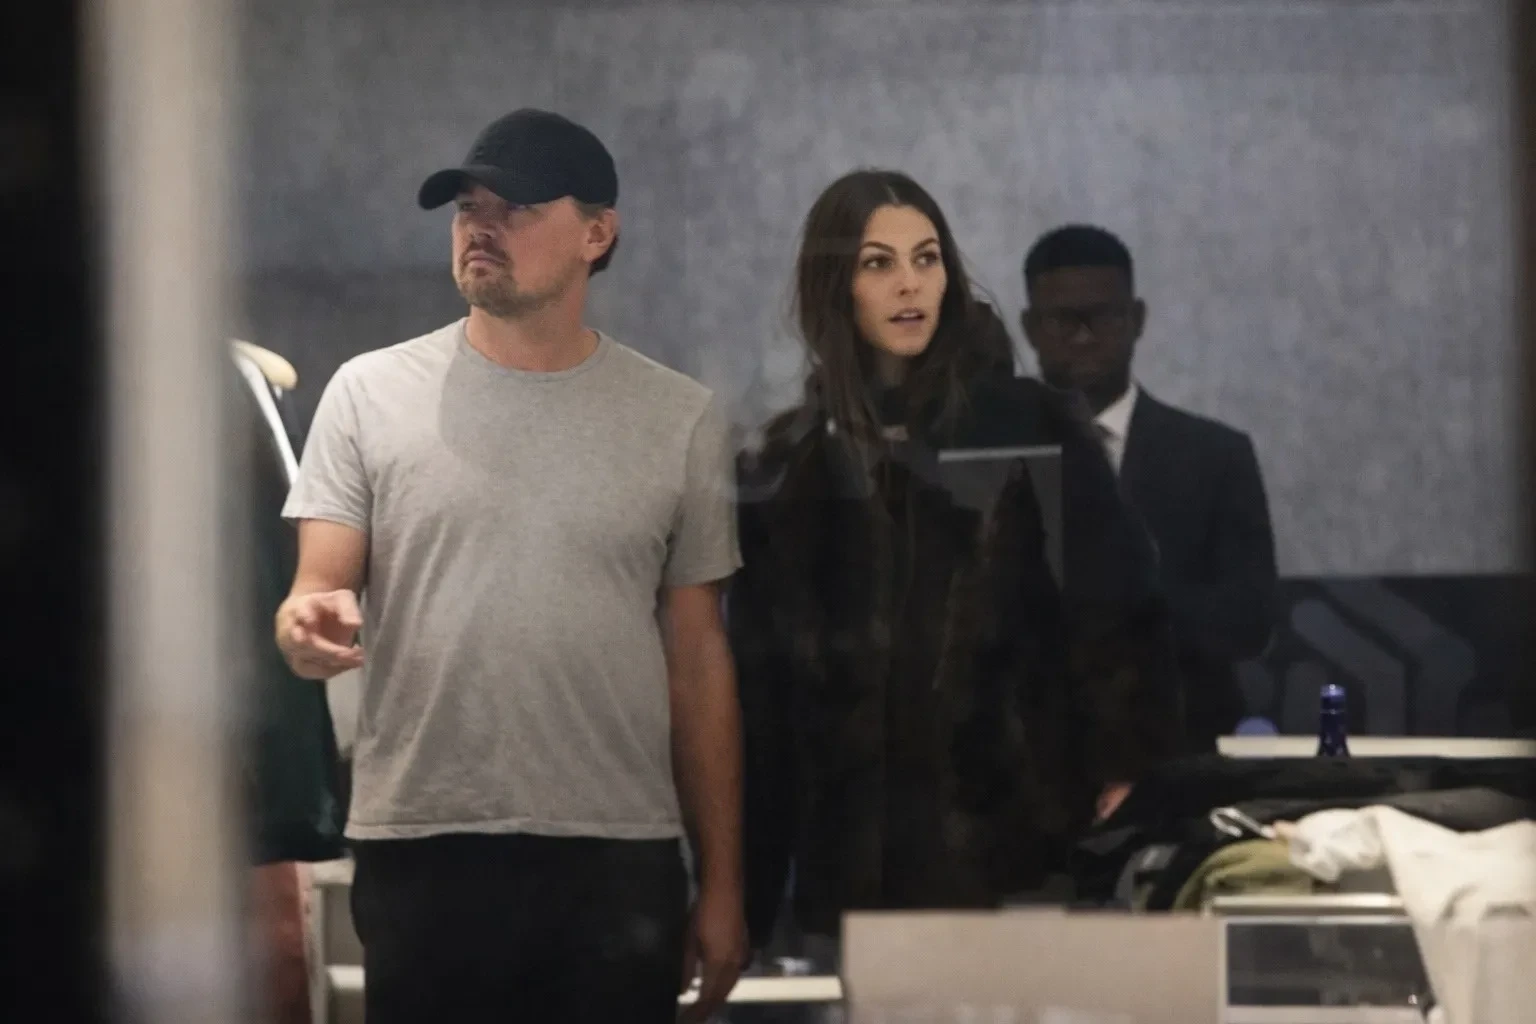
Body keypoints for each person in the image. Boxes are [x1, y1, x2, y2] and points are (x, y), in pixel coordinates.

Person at [275, 109, 746, 1023]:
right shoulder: (368, 393)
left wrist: (725, 882)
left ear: (596, 234)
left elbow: (698, 662)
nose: (480, 227)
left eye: (515, 208)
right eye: (467, 207)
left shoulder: (678, 417)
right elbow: (315, 592)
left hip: (618, 849)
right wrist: (305, 628)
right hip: (424, 842)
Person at [730, 171, 1182, 954]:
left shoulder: (1027, 424)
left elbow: (1119, 613)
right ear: (834, 286)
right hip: (852, 868)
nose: (910, 284)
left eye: (927, 257)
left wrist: (1122, 772)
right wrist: (747, 894)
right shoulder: (791, 464)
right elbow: (763, 705)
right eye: (878, 263)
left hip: (1018, 851)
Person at [1021, 224, 1278, 752]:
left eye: (1103, 316)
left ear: (1136, 319)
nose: (1084, 337)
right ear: (1030, 327)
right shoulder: (988, 457)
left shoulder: (1214, 456)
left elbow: (1249, 620)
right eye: (1063, 320)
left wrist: (1120, 606)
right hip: (1027, 752)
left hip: (1183, 745)